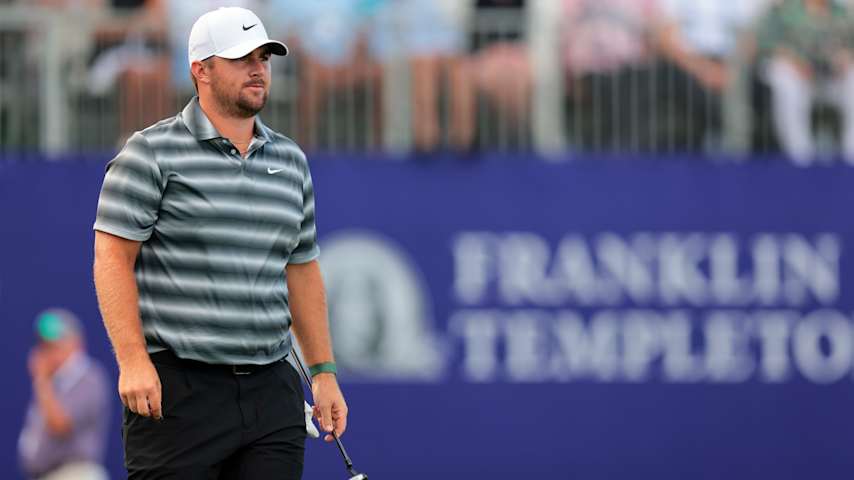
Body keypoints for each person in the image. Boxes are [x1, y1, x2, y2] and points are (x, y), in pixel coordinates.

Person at [92, 6, 348, 479]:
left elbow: (301, 268)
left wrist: (323, 372)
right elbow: (112, 258)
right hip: (179, 392)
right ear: (201, 70)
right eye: (241, 59)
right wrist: (132, 361)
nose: (258, 69)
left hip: (272, 391)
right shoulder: (149, 153)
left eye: (263, 58)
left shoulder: (291, 160)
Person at [756, 0, 854, 165]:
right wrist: (795, 62)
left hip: (831, 78)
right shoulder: (784, 11)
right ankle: (800, 157)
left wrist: (845, 58)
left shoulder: (841, 12)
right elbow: (767, 43)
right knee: (786, 79)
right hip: (797, 76)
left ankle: (851, 156)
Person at [18, 309, 110, 480]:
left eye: (55, 346)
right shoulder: (55, 380)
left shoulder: (88, 376)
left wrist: (41, 380)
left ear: (76, 343)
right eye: (44, 346)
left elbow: (60, 425)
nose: (47, 352)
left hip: (75, 474)